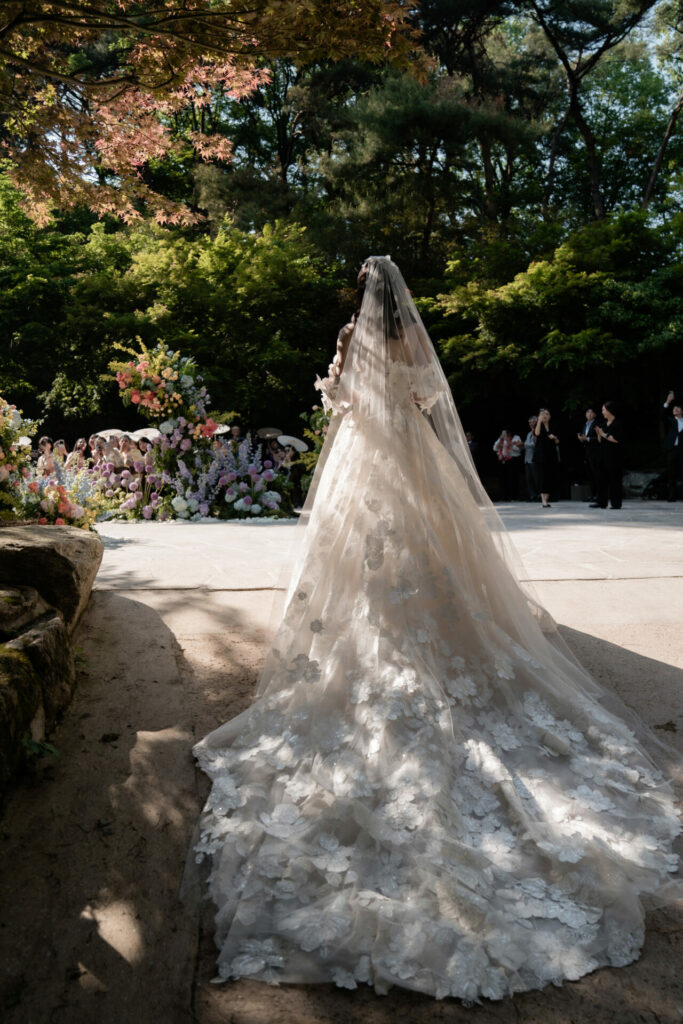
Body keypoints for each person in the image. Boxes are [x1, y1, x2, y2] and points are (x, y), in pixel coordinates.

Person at [190, 257, 680, 1002]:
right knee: (437, 564)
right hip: (410, 464)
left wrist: (339, 384)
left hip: (364, 465)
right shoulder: (409, 343)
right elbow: (427, 401)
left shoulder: (351, 334)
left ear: (362, 294)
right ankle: (441, 648)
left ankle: (371, 652)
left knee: (358, 562)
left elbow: (339, 404)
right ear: (400, 302)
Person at [591, 401, 623, 510]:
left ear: (610, 410)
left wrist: (603, 434)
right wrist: (599, 433)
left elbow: (616, 439)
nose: (602, 412)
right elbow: (601, 441)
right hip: (603, 455)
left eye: (604, 410)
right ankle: (601, 502)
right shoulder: (604, 424)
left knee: (614, 480)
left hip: (614, 456)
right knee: (601, 479)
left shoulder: (617, 423)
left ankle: (616, 503)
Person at [532, 409, 559, 508]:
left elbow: (558, 441)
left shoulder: (554, 426)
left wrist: (554, 438)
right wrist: (538, 421)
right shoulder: (538, 425)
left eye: (547, 414)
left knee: (549, 477)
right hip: (540, 455)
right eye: (543, 414)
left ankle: (546, 499)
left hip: (551, 454)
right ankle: (544, 501)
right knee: (542, 477)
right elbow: (537, 434)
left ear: (550, 416)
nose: (545, 416)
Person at [661, 391, 683, 502]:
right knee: (671, 473)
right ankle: (671, 496)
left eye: (678, 408)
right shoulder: (670, 421)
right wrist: (668, 401)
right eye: (674, 408)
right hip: (672, 449)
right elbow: (663, 414)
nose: (675, 409)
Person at [577, 407, 600, 501]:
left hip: (595, 452)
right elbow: (585, 438)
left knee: (596, 474)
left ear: (595, 414)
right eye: (587, 412)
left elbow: (599, 439)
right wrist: (581, 439)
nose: (589, 414)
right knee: (590, 475)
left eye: (591, 412)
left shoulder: (597, 424)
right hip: (587, 452)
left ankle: (598, 495)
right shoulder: (585, 425)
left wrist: (588, 439)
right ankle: (592, 495)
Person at [492, 428, 522, 500]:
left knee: (512, 479)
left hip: (512, 460)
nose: (504, 436)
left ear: (509, 434)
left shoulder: (515, 438)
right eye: (502, 434)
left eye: (505, 434)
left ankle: (514, 496)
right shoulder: (500, 440)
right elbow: (495, 449)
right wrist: (500, 440)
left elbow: (518, 449)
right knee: (503, 479)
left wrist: (509, 441)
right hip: (503, 460)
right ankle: (504, 496)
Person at [522, 416, 538, 500]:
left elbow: (534, 445)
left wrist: (523, 444)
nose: (531, 424)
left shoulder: (538, 432)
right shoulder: (529, 433)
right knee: (529, 479)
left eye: (532, 422)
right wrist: (522, 445)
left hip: (534, 458)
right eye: (529, 422)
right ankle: (533, 495)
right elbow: (527, 445)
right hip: (527, 459)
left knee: (536, 478)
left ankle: (539, 495)